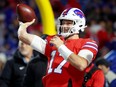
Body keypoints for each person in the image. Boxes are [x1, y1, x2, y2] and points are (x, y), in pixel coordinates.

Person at [18, 8, 99, 87]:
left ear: (79, 24)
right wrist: (23, 26)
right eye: (63, 22)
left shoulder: (88, 43)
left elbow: (81, 64)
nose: (64, 25)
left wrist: (61, 47)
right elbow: (23, 36)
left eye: (68, 23)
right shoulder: (54, 40)